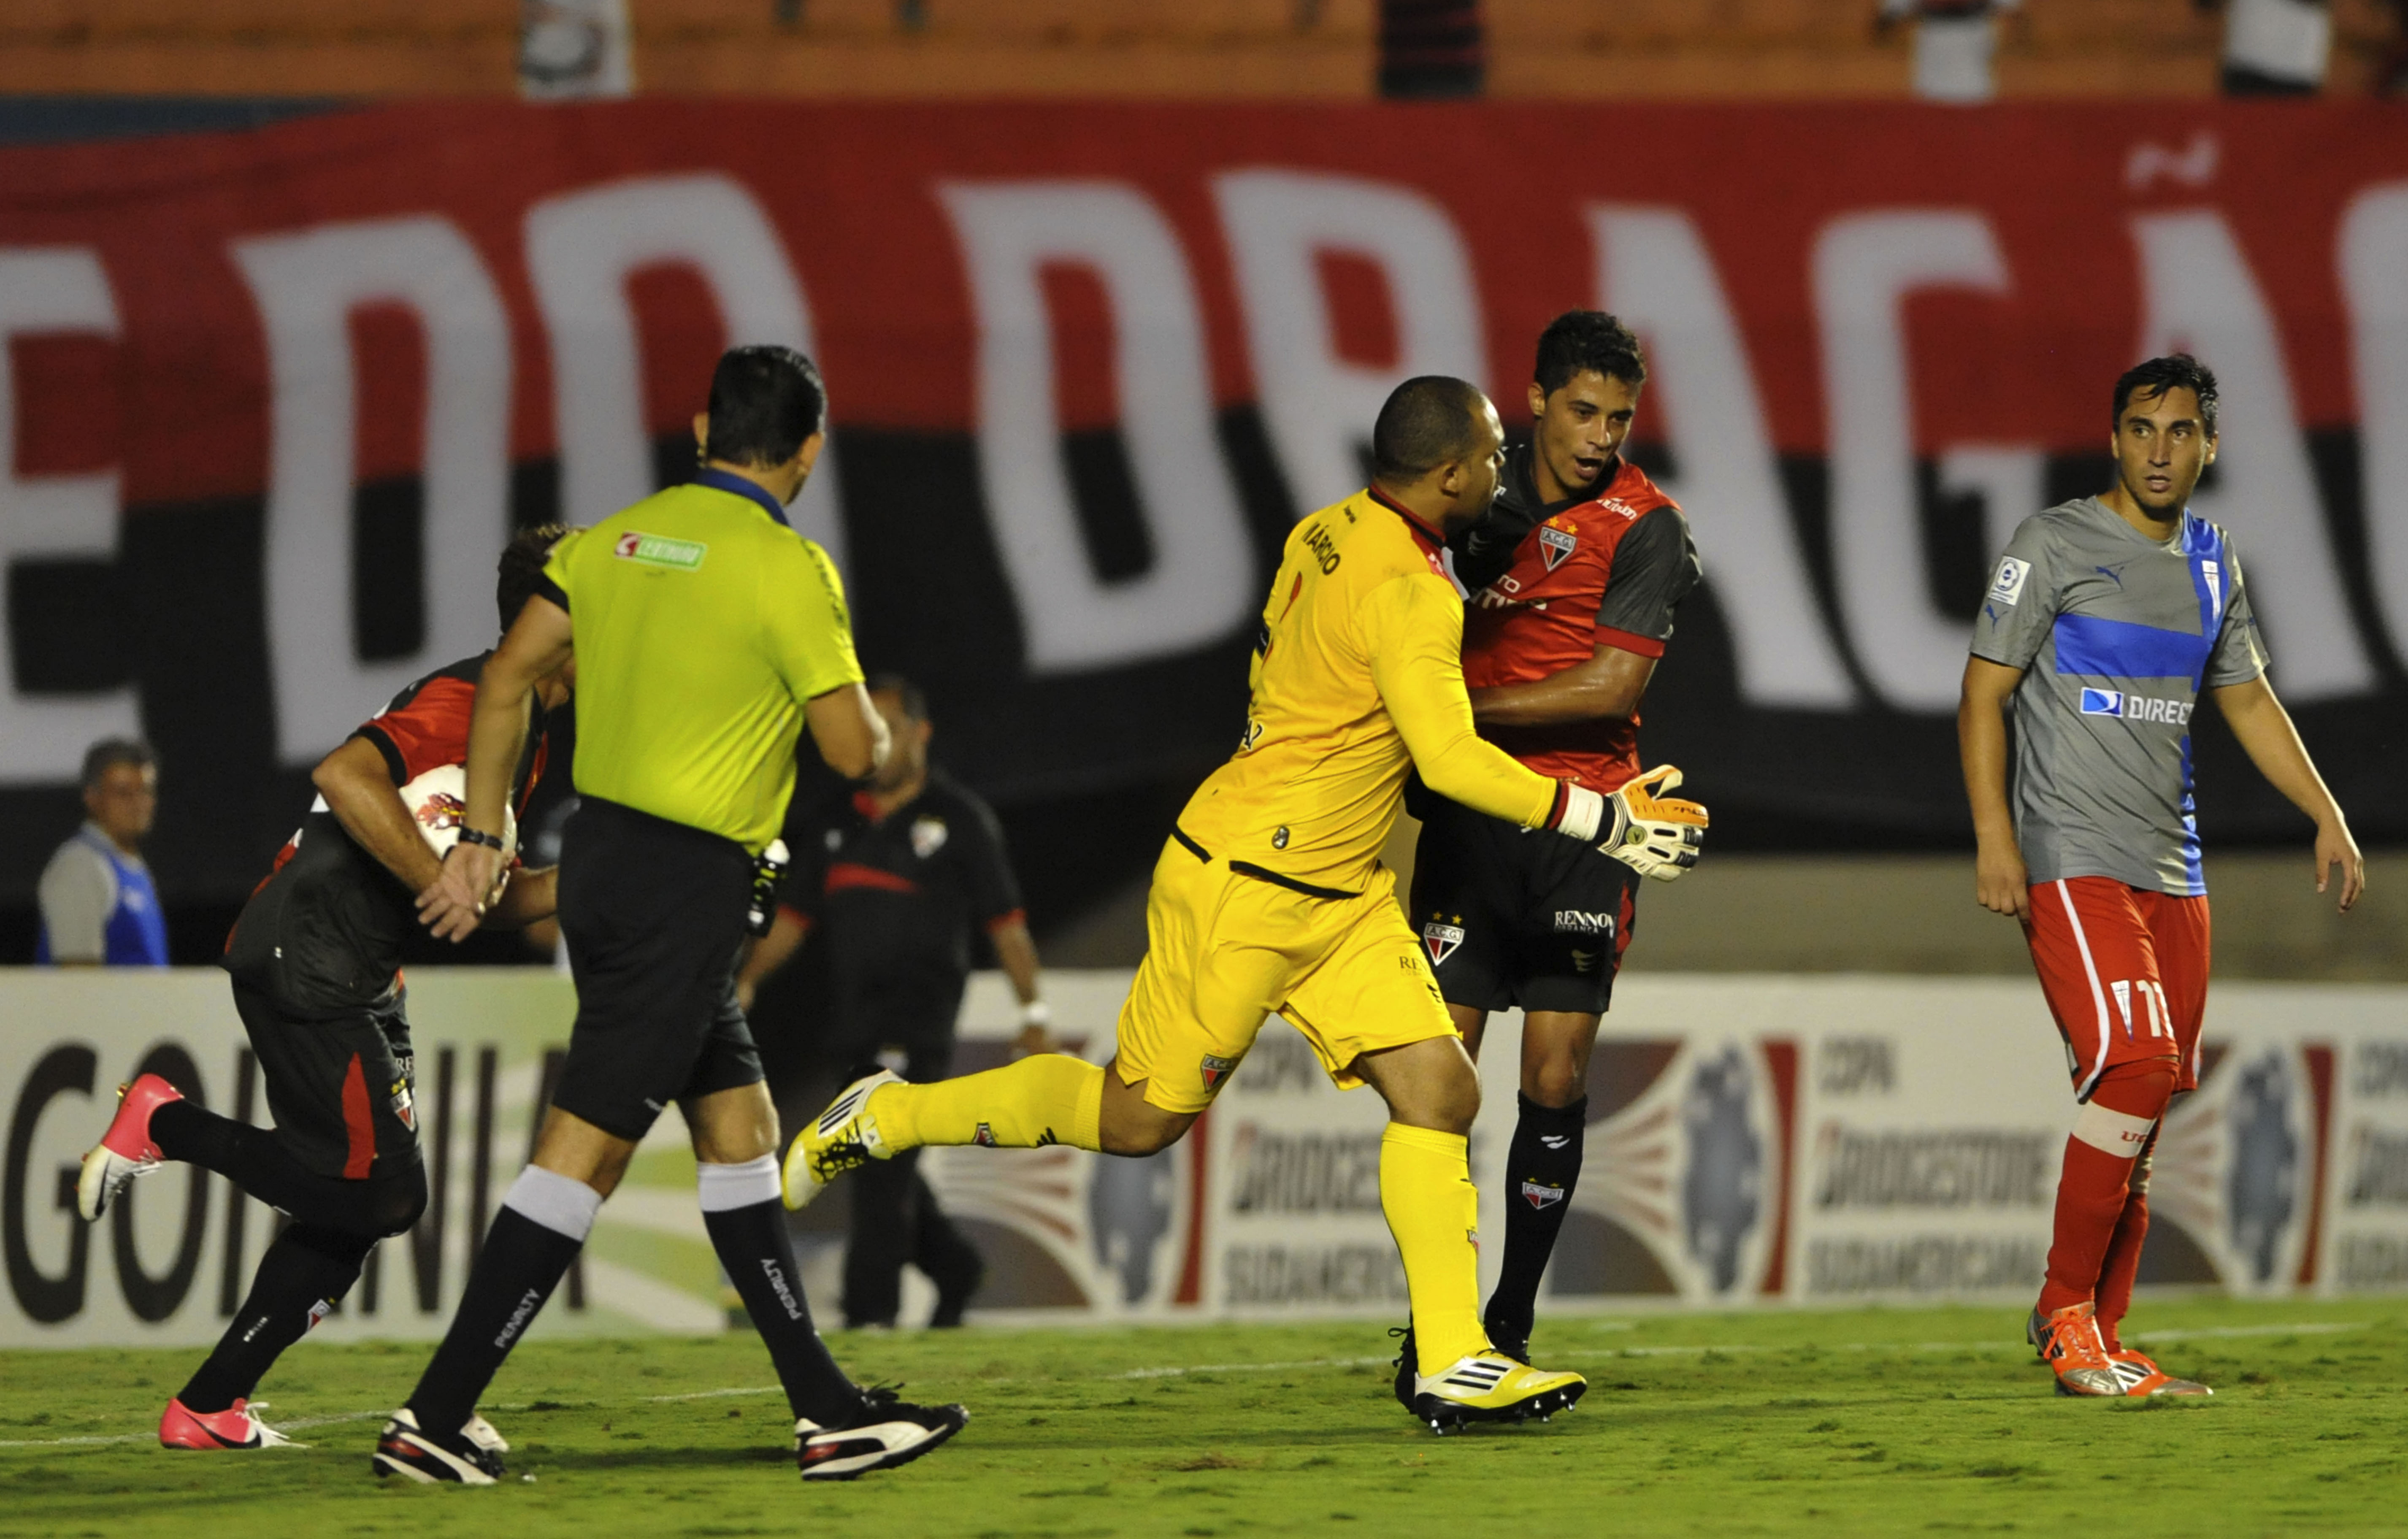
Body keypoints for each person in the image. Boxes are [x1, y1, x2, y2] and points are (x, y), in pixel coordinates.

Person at [786, 375, 1709, 1433]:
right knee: (1138, 1119)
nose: (1503, 473)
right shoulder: (1414, 591)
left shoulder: (1324, 533)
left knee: (1443, 1095)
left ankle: (1456, 1356)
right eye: (1493, 455)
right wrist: (1604, 821)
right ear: (1451, 474)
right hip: (1250, 887)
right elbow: (1449, 760)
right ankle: (889, 1113)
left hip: (1339, 893)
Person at [389, 345, 964, 1485]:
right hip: (687, 887)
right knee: (584, 1151)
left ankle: (825, 1408)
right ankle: (433, 1412)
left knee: (737, 1127)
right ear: (808, 447)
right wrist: (890, 739)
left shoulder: (609, 542)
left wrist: (484, 836)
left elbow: (506, 679)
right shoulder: (789, 567)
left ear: (702, 423)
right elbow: (855, 751)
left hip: (601, 864)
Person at [74, 526, 572, 1452]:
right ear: (556, 622)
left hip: (354, 968)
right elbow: (345, 774)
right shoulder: (473, 695)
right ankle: (164, 1121)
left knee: (353, 1200)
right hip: (312, 957)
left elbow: (481, 892)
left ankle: (208, 1405)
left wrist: (597, 881)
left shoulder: (522, 729)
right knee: (387, 1195)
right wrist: (437, 877)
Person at [1958, 353, 2365, 1398]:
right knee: (2133, 1064)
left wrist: (2323, 811)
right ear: (2114, 437)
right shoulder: (2051, 545)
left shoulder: (2214, 562)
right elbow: (1981, 698)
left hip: (2172, 871)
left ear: (2209, 447)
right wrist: (1996, 839)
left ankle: (2104, 1334)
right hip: (2070, 853)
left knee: (2145, 1114)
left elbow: (2249, 701)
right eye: (2143, 428)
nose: (2159, 449)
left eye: (2181, 432)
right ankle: (2063, 1315)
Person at [1405, 312, 1701, 1377]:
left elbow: (1613, 686)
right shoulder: (1466, 499)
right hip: (1476, 823)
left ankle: (1509, 1320)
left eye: (1619, 417)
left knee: (1556, 1076)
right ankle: (1438, 1330)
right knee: (1435, 1080)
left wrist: (1455, 713)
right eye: (1582, 410)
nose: (1599, 435)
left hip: (1584, 827)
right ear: (1532, 400)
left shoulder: (1646, 524)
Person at [736, 674, 1044, 1330]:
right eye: (864, 731)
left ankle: (869, 1315)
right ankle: (953, 1264)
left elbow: (1006, 923)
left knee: (875, 1155)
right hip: (851, 1020)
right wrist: (747, 977)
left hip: (917, 1018)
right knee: (882, 1154)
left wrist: (1034, 1014)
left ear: (919, 732)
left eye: (886, 728)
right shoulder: (834, 820)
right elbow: (792, 916)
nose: (874, 745)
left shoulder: (959, 820)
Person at [38, 739, 168, 967]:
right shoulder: (81, 865)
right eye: (123, 793)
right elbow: (78, 978)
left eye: (146, 791)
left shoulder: (132, 866)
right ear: (92, 797)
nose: (138, 803)